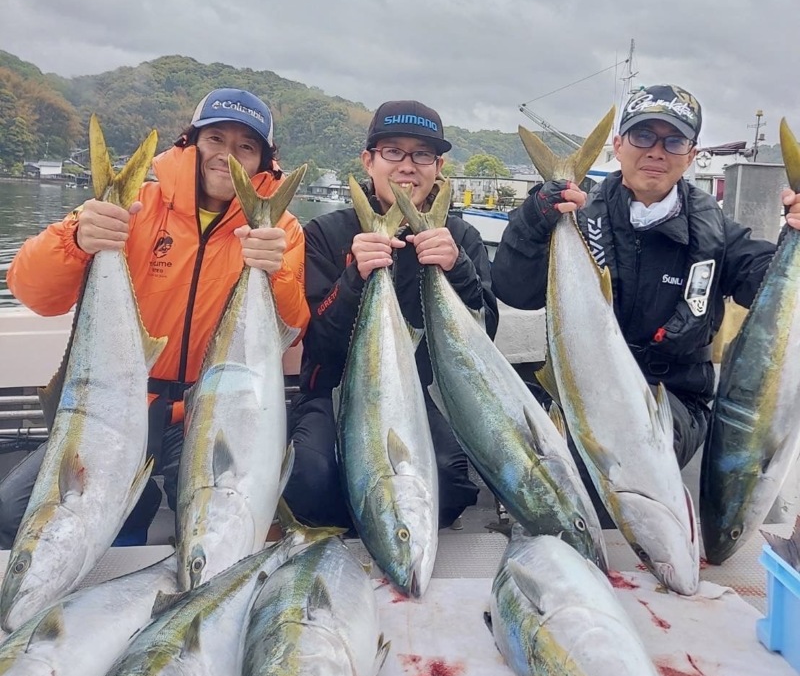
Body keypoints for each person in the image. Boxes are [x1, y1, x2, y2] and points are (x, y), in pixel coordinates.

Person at [0, 88, 309, 547]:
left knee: (226, 527)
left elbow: (291, 326)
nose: (227, 155)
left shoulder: (279, 229)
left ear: (264, 161)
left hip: (210, 411)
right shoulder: (131, 210)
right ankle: (135, 501)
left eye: (245, 146)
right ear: (191, 142)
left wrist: (276, 269)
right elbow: (34, 292)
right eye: (216, 139)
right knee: (14, 511)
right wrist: (76, 237)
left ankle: (138, 502)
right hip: (124, 406)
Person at [491, 84, 800, 476]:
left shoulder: (719, 236)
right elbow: (515, 292)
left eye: (673, 140)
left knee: (630, 452)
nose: (656, 151)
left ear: (691, 156)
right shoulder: (577, 221)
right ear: (618, 145)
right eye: (643, 136)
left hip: (672, 399)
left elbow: (769, 285)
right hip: (580, 389)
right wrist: (534, 219)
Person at [283, 99, 499, 530]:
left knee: (450, 488)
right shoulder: (325, 233)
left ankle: (379, 524)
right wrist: (353, 279)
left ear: (438, 166)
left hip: (418, 392)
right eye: (394, 152)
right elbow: (319, 340)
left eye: (422, 154)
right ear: (369, 160)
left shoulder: (460, 236)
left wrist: (458, 270)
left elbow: (485, 329)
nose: (408, 165)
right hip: (332, 389)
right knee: (310, 481)